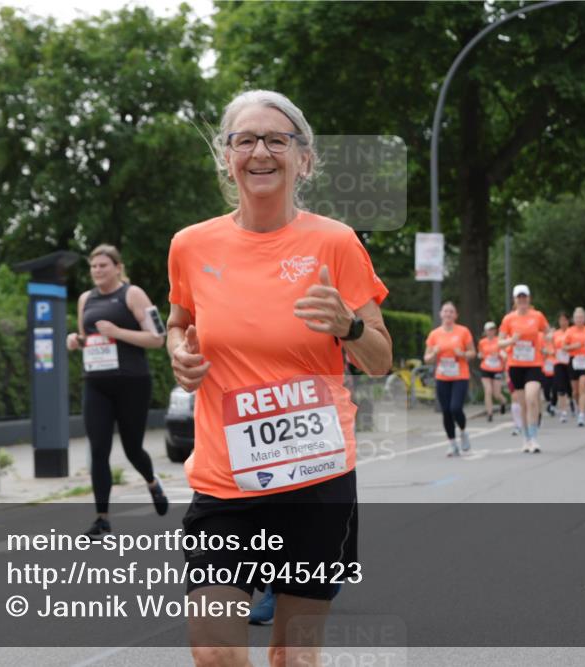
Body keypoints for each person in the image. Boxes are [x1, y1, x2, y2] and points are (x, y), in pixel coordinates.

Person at [166, 90, 392, 667]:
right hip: (225, 479)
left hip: (314, 474)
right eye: (245, 140)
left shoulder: (336, 242)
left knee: (293, 655)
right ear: (226, 156)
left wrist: (345, 323)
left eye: (276, 140)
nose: (260, 152)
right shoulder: (191, 246)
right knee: (214, 650)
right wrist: (178, 352)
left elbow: (380, 358)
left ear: (304, 159)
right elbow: (178, 322)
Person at [66, 244, 169, 538]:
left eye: (103, 266)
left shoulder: (132, 294)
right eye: (93, 266)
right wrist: (76, 340)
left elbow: (158, 338)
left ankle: (151, 481)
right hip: (96, 382)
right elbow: (88, 338)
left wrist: (118, 332)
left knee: (132, 448)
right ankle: (102, 519)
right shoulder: (86, 298)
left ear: (118, 267)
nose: (97, 271)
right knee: (98, 449)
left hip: (132, 382)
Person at [499, 284, 550, 453]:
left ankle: (534, 437)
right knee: (522, 404)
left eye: (524, 297)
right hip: (516, 365)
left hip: (534, 364)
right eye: (518, 297)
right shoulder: (508, 319)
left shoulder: (537, 316)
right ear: (514, 300)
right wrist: (511, 341)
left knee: (531, 398)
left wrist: (547, 345)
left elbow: (548, 333)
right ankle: (526, 437)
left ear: (529, 299)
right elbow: (499, 342)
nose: (522, 300)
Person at [424, 302, 476, 456]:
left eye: (451, 312)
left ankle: (464, 431)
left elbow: (473, 352)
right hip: (442, 376)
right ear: (441, 314)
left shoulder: (463, 331)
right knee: (446, 411)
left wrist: (463, 354)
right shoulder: (434, 334)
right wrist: (434, 353)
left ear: (456, 315)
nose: (448, 314)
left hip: (460, 375)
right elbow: (427, 358)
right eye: (445, 311)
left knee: (455, 408)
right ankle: (452, 443)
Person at [563, 307, 585, 427]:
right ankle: (576, 404)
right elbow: (564, 347)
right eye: (577, 317)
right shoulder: (570, 331)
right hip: (574, 361)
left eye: (581, 317)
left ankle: (581, 414)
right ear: (574, 319)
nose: (579, 319)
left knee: (583, 387)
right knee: (575, 391)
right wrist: (574, 346)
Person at [477, 321, 507, 422]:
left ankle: (503, 402)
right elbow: (480, 354)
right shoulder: (482, 342)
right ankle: (489, 413)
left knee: (496, 394)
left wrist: (499, 355)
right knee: (488, 390)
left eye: (492, 330)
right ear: (485, 331)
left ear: (495, 331)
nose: (490, 332)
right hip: (485, 368)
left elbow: (504, 354)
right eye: (488, 330)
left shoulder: (499, 341)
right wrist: (480, 355)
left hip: (497, 368)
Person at [552, 312, 572, 423]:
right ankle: (563, 411)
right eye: (561, 320)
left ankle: (572, 402)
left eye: (565, 320)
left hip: (570, 361)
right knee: (560, 388)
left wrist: (567, 348)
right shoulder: (555, 334)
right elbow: (552, 348)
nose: (563, 322)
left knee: (571, 388)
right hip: (558, 362)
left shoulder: (571, 332)